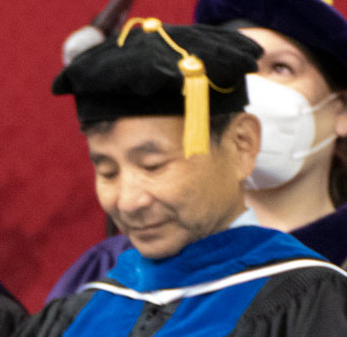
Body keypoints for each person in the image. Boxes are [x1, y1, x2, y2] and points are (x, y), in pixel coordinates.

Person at [22, 19, 347, 336]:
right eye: (108, 171)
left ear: (242, 145)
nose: (128, 200)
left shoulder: (309, 301)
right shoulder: (81, 310)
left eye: (153, 166)